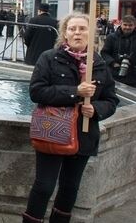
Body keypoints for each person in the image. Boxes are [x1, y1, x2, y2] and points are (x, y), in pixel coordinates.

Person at [22, 13, 118, 223]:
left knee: (70, 188)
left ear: (90, 33)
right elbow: (36, 92)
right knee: (44, 186)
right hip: (53, 132)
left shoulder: (99, 63)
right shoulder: (49, 58)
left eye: (82, 29)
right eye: (72, 28)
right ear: (65, 33)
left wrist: (96, 109)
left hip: (84, 134)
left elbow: (112, 100)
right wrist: (75, 91)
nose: (77, 33)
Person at [101, 15, 136, 87]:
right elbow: (104, 53)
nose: (127, 27)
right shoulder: (111, 37)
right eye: (125, 25)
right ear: (121, 24)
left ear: (134, 25)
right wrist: (113, 63)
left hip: (133, 75)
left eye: (130, 25)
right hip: (114, 73)